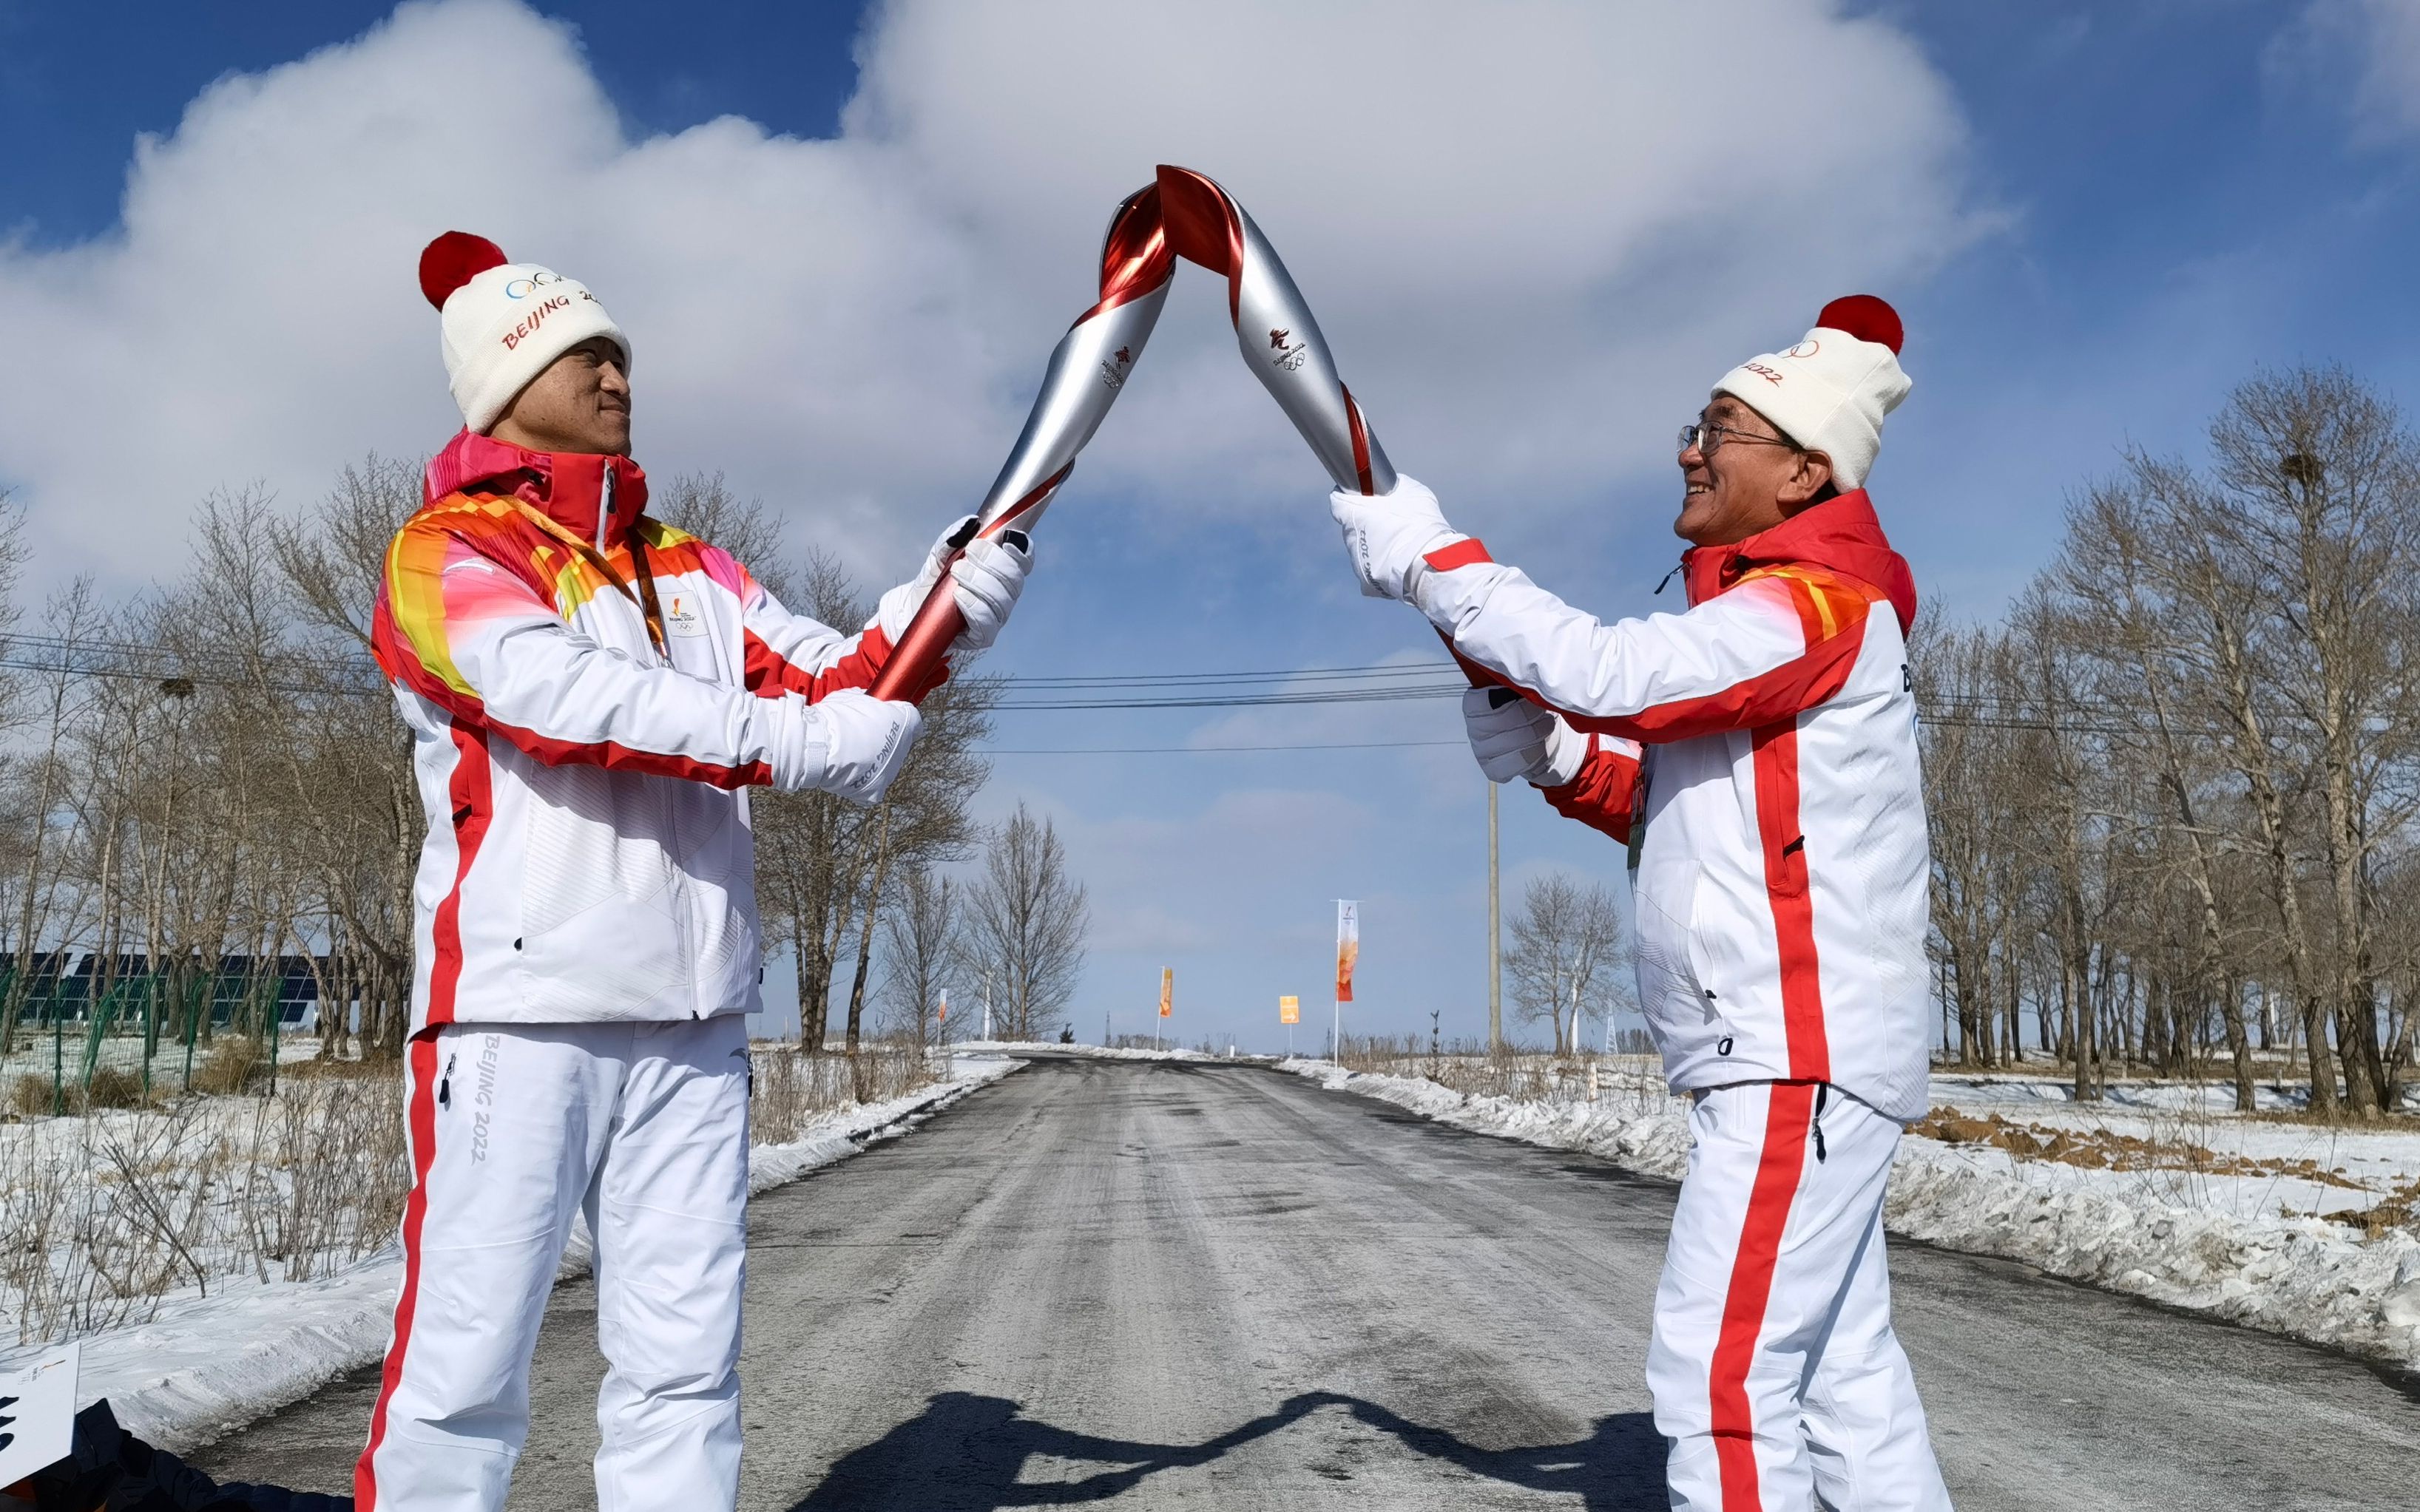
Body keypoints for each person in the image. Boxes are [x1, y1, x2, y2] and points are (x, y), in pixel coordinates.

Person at [354, 232, 1032, 1511]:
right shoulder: (444, 554)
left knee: (683, 1376)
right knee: (463, 1378)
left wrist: (940, 603)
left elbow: (835, 680)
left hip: (694, 1028)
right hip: (517, 1022)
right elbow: (564, 698)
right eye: (586, 356)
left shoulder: (690, 566)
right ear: (506, 384)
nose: (618, 376)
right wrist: (799, 744)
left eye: (620, 355)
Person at [1329, 296, 1952, 1510]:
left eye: (1720, 429)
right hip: (1796, 1058)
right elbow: (1676, 803)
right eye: (1696, 425)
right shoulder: (1771, 626)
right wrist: (1556, 754)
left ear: (1805, 471)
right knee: (1841, 1378)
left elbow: (1612, 671)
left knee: (1724, 1375)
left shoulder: (1817, 606)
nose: (1689, 449)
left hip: (1794, 1052)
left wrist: (1433, 559)